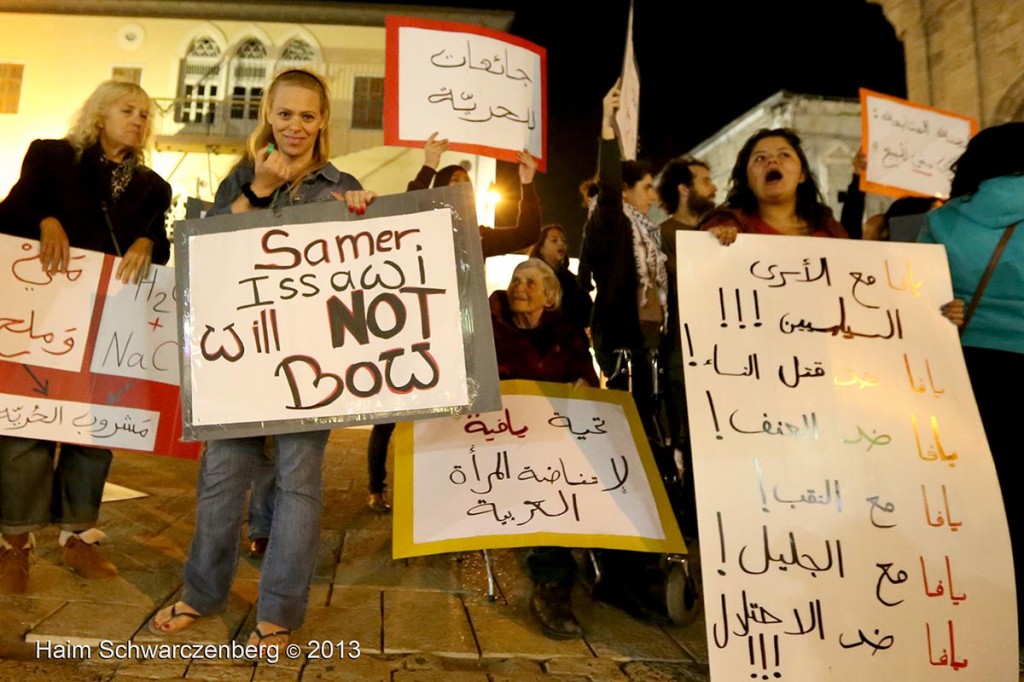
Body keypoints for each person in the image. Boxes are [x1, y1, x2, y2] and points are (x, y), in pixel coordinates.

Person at [147, 68, 375, 654]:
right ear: (267, 117)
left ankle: (279, 611)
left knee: (299, 484)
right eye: (284, 114)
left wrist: (360, 210)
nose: (294, 126)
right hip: (240, 359)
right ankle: (202, 593)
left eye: (306, 115)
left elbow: (362, 262)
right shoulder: (242, 178)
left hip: (312, 363)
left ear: (323, 121)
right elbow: (210, 248)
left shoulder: (341, 182)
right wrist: (261, 191)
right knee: (222, 480)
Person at [0, 80, 171, 595]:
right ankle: (14, 544)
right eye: (128, 110)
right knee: (26, 431)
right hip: (42, 318)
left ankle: (78, 536)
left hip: (106, 322)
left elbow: (158, 244)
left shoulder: (153, 186)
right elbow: (9, 212)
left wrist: (146, 239)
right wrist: (46, 219)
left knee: (93, 432)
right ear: (100, 115)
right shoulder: (51, 158)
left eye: (146, 114)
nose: (139, 120)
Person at [365, 132, 541, 513]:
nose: (464, 187)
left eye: (468, 183)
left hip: (459, 335)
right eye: (455, 181)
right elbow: (403, 208)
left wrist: (527, 183)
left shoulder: (477, 235)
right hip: (413, 329)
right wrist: (428, 164)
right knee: (391, 413)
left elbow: (527, 233)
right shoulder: (420, 224)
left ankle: (440, 486)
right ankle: (376, 488)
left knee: (449, 415)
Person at [917, 121, 1024, 646]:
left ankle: (983, 614)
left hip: (966, 371)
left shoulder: (943, 222)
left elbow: (913, 300)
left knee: (978, 497)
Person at [489, 258, 598, 639]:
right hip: (502, 443)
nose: (520, 287)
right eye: (517, 280)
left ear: (549, 296)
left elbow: (586, 373)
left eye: (531, 283)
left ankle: (632, 575)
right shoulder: (491, 329)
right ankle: (551, 583)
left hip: (557, 437)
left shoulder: (564, 332)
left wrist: (585, 383)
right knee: (545, 483)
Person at [578, 82, 667, 430]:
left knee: (654, 425)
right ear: (625, 191)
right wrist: (607, 128)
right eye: (647, 187)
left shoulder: (648, 232)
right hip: (622, 340)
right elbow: (609, 189)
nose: (654, 196)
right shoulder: (611, 221)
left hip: (651, 340)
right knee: (632, 424)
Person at [654, 156, 717, 540]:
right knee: (693, 438)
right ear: (684, 189)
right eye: (705, 181)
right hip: (682, 353)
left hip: (726, 352)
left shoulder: (721, 231)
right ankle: (694, 520)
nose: (713, 187)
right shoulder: (662, 236)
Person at [699, 127, 848, 242]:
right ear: (747, 181)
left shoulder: (830, 229)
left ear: (802, 175)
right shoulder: (726, 224)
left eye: (784, 154)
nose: (772, 161)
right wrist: (713, 241)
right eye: (759, 158)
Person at [527, 224, 592, 337]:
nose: (561, 244)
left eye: (563, 241)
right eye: (554, 240)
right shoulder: (532, 276)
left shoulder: (571, 279)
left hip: (573, 345)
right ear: (541, 248)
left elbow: (588, 312)